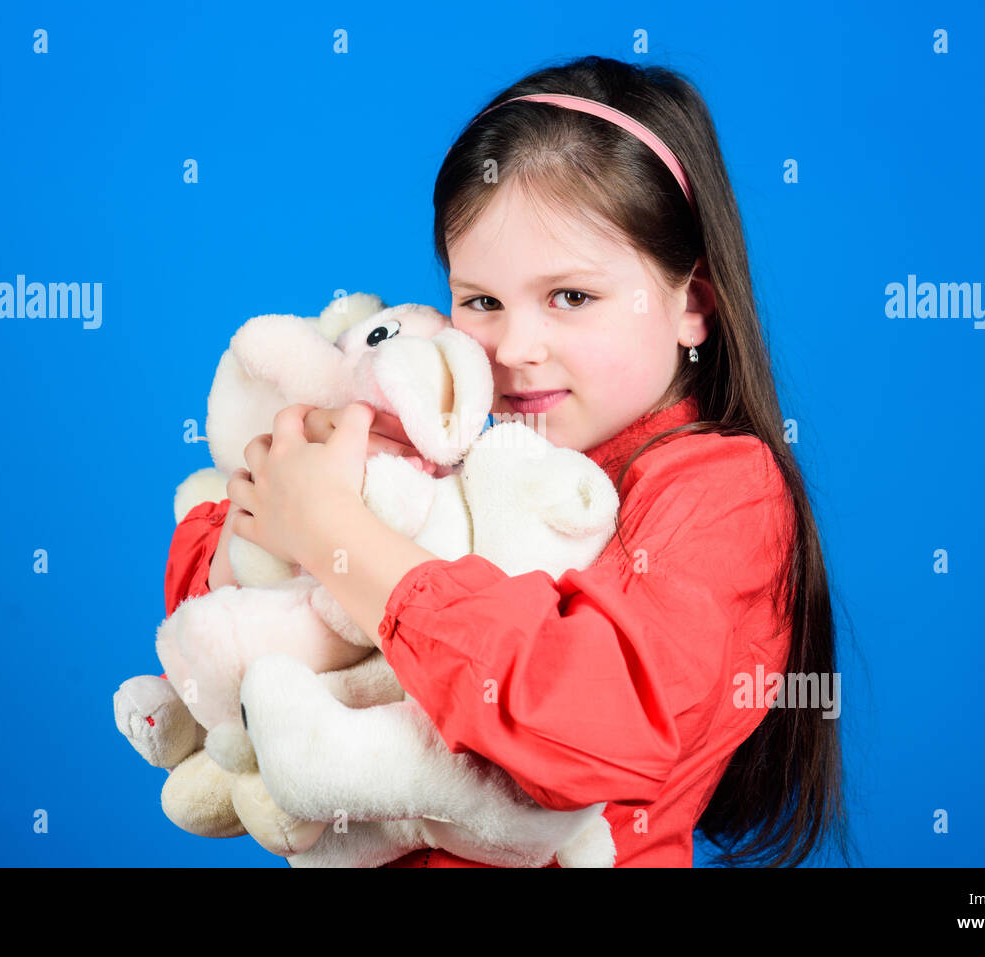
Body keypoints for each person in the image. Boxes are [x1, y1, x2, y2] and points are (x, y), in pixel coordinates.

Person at [165, 55, 852, 868]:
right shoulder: (449, 436)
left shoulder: (723, 491)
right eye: (482, 301)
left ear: (691, 304)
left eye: (572, 296)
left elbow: (594, 722)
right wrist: (279, 509)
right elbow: (212, 632)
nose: (517, 350)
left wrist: (341, 537)